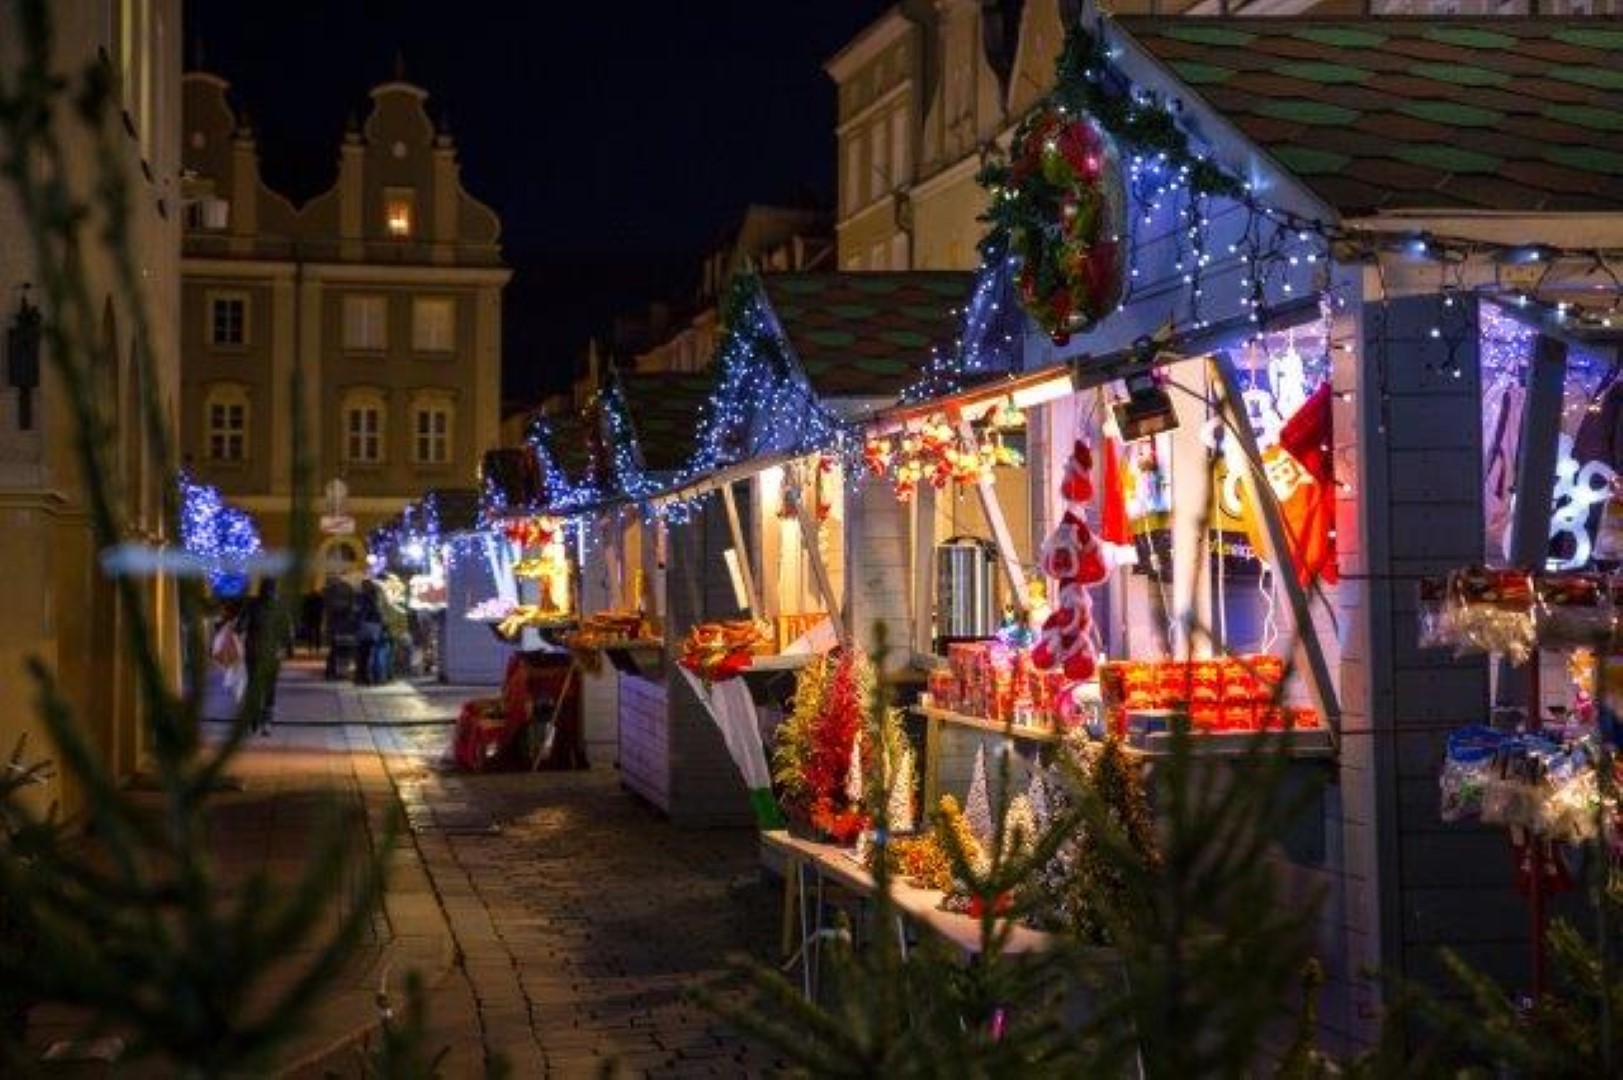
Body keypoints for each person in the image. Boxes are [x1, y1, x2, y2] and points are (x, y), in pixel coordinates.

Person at [235, 578, 283, 735]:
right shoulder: (278, 607)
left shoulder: (251, 605)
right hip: (271, 653)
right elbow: (288, 631)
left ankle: (253, 720)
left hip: (253, 652)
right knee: (270, 688)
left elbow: (239, 628)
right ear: (274, 590)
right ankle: (266, 723)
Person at [323, 574, 356, 680]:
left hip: (338, 626)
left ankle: (334, 672)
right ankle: (337, 672)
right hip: (342, 627)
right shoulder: (335, 593)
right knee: (340, 650)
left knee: (336, 650)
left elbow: (329, 610)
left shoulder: (329, 593)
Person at [354, 579, 383, 686]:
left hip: (365, 627)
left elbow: (359, 612)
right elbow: (378, 612)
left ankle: (362, 677)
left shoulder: (362, 597)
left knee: (362, 653)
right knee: (370, 653)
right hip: (374, 626)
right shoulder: (376, 597)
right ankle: (369, 677)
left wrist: (357, 623)